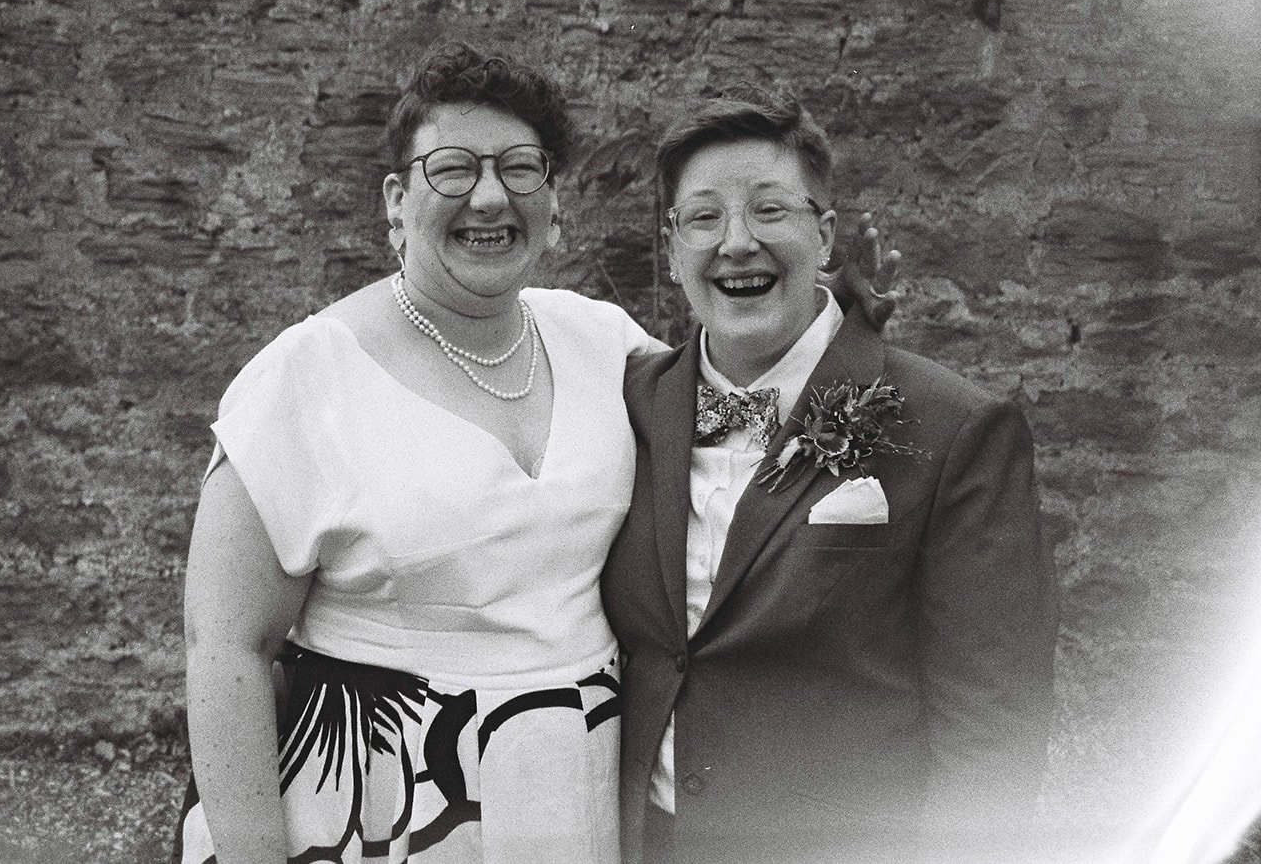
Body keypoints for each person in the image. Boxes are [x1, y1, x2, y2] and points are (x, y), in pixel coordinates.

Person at [176, 44, 898, 864]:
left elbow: (743, 415)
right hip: (375, 804)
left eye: (522, 168)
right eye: (453, 168)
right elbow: (226, 648)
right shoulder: (302, 380)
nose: (491, 194)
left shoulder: (600, 342)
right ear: (396, 198)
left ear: (552, 201)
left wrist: (831, 322)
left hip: (579, 793)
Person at [600, 87, 1057, 864]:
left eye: (770, 210)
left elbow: (994, 726)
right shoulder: (627, 405)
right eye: (704, 217)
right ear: (674, 249)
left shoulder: (955, 429)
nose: (736, 242)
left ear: (826, 233)